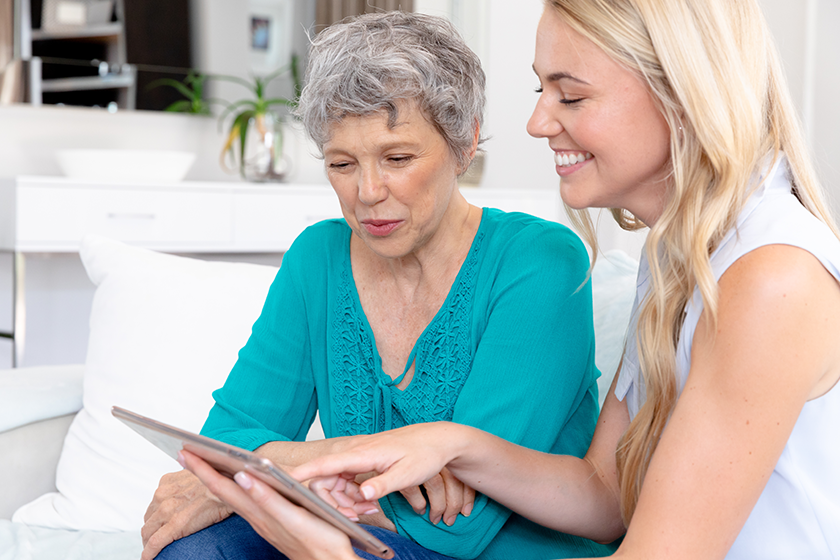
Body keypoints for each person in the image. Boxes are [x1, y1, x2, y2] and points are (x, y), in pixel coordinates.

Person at [181, 1, 840, 559]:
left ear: (681, 91)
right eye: (541, 91)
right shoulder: (680, 257)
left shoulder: (769, 278)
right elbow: (605, 496)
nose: (536, 123)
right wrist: (450, 444)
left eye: (571, 94)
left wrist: (321, 525)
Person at [143, 10, 617, 560]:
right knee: (191, 549)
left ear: (463, 142)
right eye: (342, 164)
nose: (368, 192)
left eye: (398, 158)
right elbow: (222, 449)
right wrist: (340, 471)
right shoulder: (318, 258)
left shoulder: (539, 262)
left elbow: (459, 526)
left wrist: (286, 475)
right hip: (357, 535)